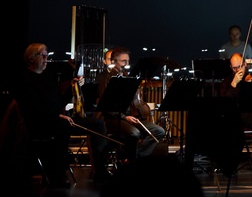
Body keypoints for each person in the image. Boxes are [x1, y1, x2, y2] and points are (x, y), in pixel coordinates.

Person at [10, 42, 110, 188]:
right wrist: (56, 116)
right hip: (39, 123)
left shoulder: (48, 78)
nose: (46, 59)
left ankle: (100, 171)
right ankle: (58, 173)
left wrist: (72, 87)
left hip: (56, 119)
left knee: (97, 124)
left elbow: (59, 103)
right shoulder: (24, 79)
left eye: (46, 55)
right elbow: (33, 109)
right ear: (31, 58)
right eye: (42, 55)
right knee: (62, 126)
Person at [95, 46, 166, 164]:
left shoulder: (128, 77)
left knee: (159, 131)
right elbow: (106, 106)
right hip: (113, 118)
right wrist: (125, 117)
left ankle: (133, 157)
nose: (126, 64)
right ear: (114, 62)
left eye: (128, 61)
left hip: (131, 117)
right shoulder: (107, 79)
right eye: (123, 61)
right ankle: (130, 158)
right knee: (134, 133)